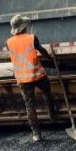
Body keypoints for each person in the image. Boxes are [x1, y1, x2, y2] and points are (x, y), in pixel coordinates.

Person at [6, 14, 58, 142]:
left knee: (29, 106)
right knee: (47, 93)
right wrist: (52, 59)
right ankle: (52, 116)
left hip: (22, 79)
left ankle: (36, 134)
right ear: (24, 26)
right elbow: (41, 50)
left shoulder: (8, 42)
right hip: (37, 74)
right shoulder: (31, 38)